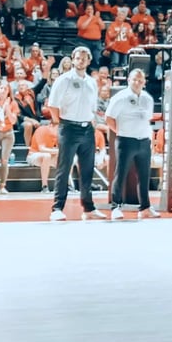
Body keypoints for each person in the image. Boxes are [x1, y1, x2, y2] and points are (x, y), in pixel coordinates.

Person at [47, 46, 106, 221]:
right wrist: (61, 122)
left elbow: (93, 107)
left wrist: (91, 122)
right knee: (63, 169)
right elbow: (52, 105)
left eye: (84, 58)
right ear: (73, 59)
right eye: (78, 58)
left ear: (89, 61)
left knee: (87, 170)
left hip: (87, 128)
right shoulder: (63, 80)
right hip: (68, 128)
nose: (81, 61)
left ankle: (88, 208)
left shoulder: (91, 82)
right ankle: (57, 208)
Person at [106, 69, 159, 220]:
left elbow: (147, 119)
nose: (137, 83)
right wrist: (121, 131)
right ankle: (116, 207)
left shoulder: (148, 98)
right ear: (128, 80)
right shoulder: (120, 98)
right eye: (135, 79)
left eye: (140, 81)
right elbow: (109, 118)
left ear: (144, 82)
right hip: (125, 140)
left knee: (144, 176)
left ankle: (145, 207)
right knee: (120, 174)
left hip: (143, 141)